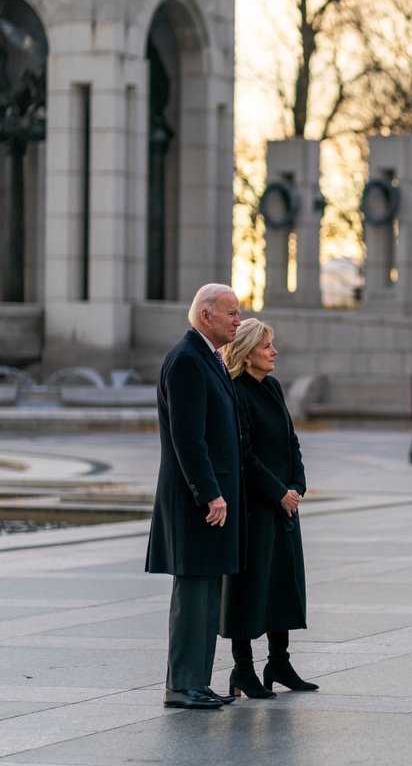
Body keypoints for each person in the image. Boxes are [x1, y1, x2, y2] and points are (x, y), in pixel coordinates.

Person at [145, 283, 246, 710]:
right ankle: (181, 685)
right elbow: (189, 439)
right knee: (193, 594)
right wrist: (209, 493)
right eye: (232, 314)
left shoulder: (208, 357)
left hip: (209, 499)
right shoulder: (187, 359)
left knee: (207, 592)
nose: (238, 321)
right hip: (197, 502)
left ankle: (197, 683)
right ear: (205, 316)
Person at [218, 319, 317, 698]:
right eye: (266, 346)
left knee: (282, 583)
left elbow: (291, 442)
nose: (274, 352)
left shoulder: (273, 387)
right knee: (249, 587)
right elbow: (243, 453)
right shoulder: (235, 391)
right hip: (255, 507)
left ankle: (279, 662)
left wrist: (296, 487)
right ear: (246, 353)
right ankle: (242, 670)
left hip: (283, 505)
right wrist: (278, 492)